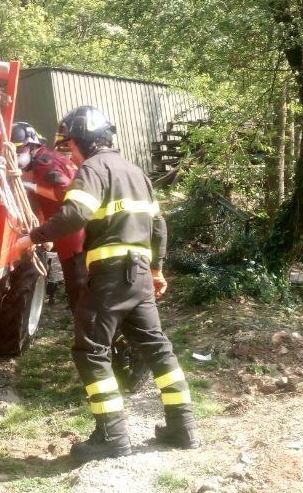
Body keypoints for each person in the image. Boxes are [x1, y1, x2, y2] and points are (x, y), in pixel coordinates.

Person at [12, 105, 199, 461]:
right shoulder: (137, 173)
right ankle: (183, 426)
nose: (70, 153)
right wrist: (157, 269)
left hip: (110, 276)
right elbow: (158, 225)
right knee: (158, 348)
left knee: (91, 352)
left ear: (81, 140)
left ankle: (111, 436)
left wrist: (30, 237)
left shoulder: (93, 169)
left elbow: (75, 214)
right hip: (140, 275)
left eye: (69, 145)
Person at [11, 122, 86, 310]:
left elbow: (66, 192)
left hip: (74, 239)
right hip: (78, 235)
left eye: (19, 151)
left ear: (32, 146)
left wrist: (33, 187)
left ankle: (90, 336)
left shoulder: (44, 164)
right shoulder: (51, 158)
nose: (16, 157)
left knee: (81, 296)